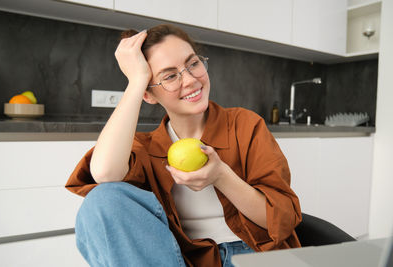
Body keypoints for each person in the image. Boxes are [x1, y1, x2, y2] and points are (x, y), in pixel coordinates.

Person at [65, 24, 302, 267]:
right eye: (169, 76)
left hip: (255, 256)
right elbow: (104, 174)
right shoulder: (145, 149)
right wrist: (136, 81)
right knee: (101, 199)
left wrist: (221, 175)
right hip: (182, 261)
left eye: (193, 64)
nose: (190, 80)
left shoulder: (245, 125)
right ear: (148, 95)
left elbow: (283, 219)